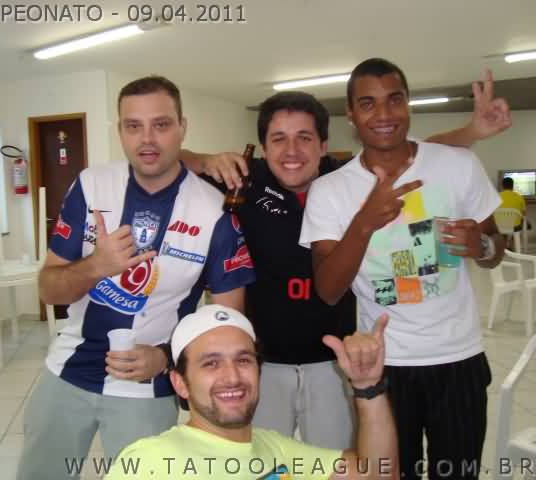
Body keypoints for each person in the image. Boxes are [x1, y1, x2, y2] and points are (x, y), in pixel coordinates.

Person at [179, 70, 511, 449]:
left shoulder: (340, 178)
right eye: (279, 139)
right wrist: (205, 159)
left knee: (342, 464)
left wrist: (469, 133)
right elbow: (170, 160)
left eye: (305, 138)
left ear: (324, 146)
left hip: (338, 359)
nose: (292, 151)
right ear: (264, 148)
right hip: (265, 360)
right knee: (269, 464)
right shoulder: (245, 180)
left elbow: (409, 151)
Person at [17, 76, 255, 480]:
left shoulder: (214, 213)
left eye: (161, 124)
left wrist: (165, 357)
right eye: (133, 126)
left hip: (147, 389)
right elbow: (48, 288)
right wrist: (96, 266)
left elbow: (228, 325)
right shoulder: (91, 186)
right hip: (66, 373)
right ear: (120, 131)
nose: (147, 139)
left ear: (182, 127)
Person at [300, 58, 506, 480]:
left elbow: (495, 248)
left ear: (408, 103)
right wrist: (364, 222)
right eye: (368, 103)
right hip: (383, 364)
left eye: (394, 100)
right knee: (391, 474)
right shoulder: (330, 190)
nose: (384, 114)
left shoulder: (457, 164)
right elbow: (328, 290)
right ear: (351, 114)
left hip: (458, 357)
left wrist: (482, 245)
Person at [106, 304, 398, 479]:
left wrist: (367, 387)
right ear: (180, 383)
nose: (232, 377)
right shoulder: (150, 461)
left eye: (243, 360)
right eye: (211, 363)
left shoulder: (276, 449)